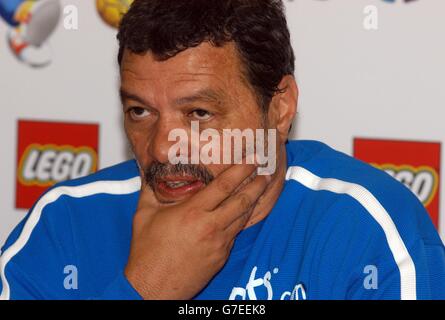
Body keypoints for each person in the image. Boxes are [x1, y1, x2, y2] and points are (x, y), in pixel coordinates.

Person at [1, 0, 444, 300]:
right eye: (140, 112)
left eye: (197, 114)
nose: (162, 147)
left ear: (280, 106)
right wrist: (144, 288)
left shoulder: (368, 229)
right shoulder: (65, 223)